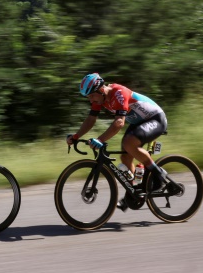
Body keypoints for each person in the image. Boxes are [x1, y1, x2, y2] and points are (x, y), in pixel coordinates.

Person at [67, 73, 168, 210]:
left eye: (92, 96)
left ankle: (158, 174)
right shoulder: (99, 99)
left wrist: (100, 139)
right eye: (89, 97)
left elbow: (119, 122)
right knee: (125, 158)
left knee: (129, 143)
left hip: (155, 119)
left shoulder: (118, 93)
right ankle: (135, 192)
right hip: (139, 123)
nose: (91, 100)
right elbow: (91, 119)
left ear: (101, 90)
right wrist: (76, 136)